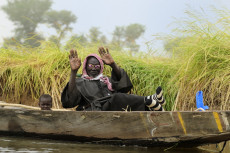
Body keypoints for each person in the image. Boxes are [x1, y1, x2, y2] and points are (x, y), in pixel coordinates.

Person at [61, 47, 166, 111]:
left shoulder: (106, 80)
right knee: (115, 98)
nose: (93, 69)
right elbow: (69, 101)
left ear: (101, 67)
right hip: (93, 111)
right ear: (85, 66)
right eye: (91, 66)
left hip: (112, 110)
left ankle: (152, 105)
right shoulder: (80, 82)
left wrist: (113, 65)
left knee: (123, 97)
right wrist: (73, 71)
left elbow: (124, 87)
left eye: (97, 66)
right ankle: (151, 98)